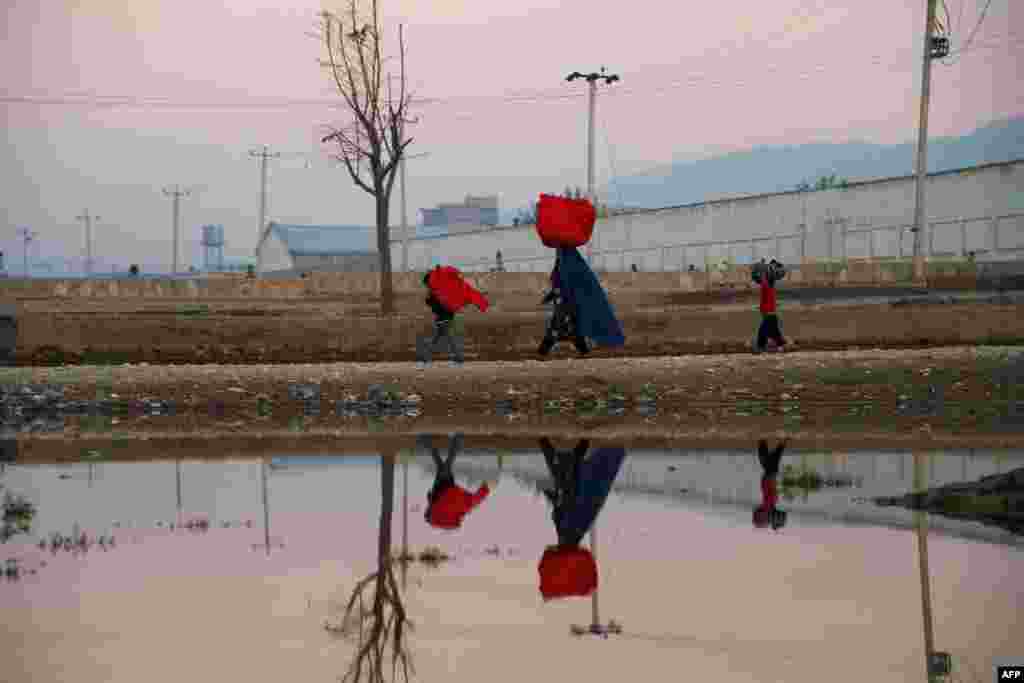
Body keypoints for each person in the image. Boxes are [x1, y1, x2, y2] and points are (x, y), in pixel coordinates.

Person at [537, 437, 627, 601]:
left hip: (571, 522)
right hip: (569, 518)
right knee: (566, 476)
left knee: (569, 477)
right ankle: (550, 443)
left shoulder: (575, 530)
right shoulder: (568, 531)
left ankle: (574, 445)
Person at [538, 248, 625, 357]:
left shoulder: (565, 267)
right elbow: (559, 286)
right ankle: (581, 351)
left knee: (559, 329)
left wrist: (553, 296)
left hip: (566, 305)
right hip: (565, 304)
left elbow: (564, 286)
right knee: (570, 330)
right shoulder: (566, 265)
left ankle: (543, 352)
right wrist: (549, 297)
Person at [420, 433, 494, 531]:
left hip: (443, 491)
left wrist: (486, 488)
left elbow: (474, 501)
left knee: (446, 465)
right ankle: (429, 440)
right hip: (440, 492)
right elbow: (430, 513)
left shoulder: (460, 511)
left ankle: (456, 439)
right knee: (442, 466)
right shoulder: (441, 517)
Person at [753, 438, 789, 531]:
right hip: (768, 478)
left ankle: (765, 441)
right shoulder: (771, 503)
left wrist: (771, 522)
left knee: (770, 459)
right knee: (772, 459)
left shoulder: (769, 504)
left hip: (768, 478)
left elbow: (761, 516)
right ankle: (779, 442)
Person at [754, 259, 787, 353]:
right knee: (770, 329)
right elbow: (760, 276)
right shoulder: (767, 281)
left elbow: (763, 275)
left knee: (768, 329)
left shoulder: (768, 281)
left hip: (769, 310)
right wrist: (763, 266)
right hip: (768, 310)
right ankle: (778, 345)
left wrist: (762, 266)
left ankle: (765, 346)